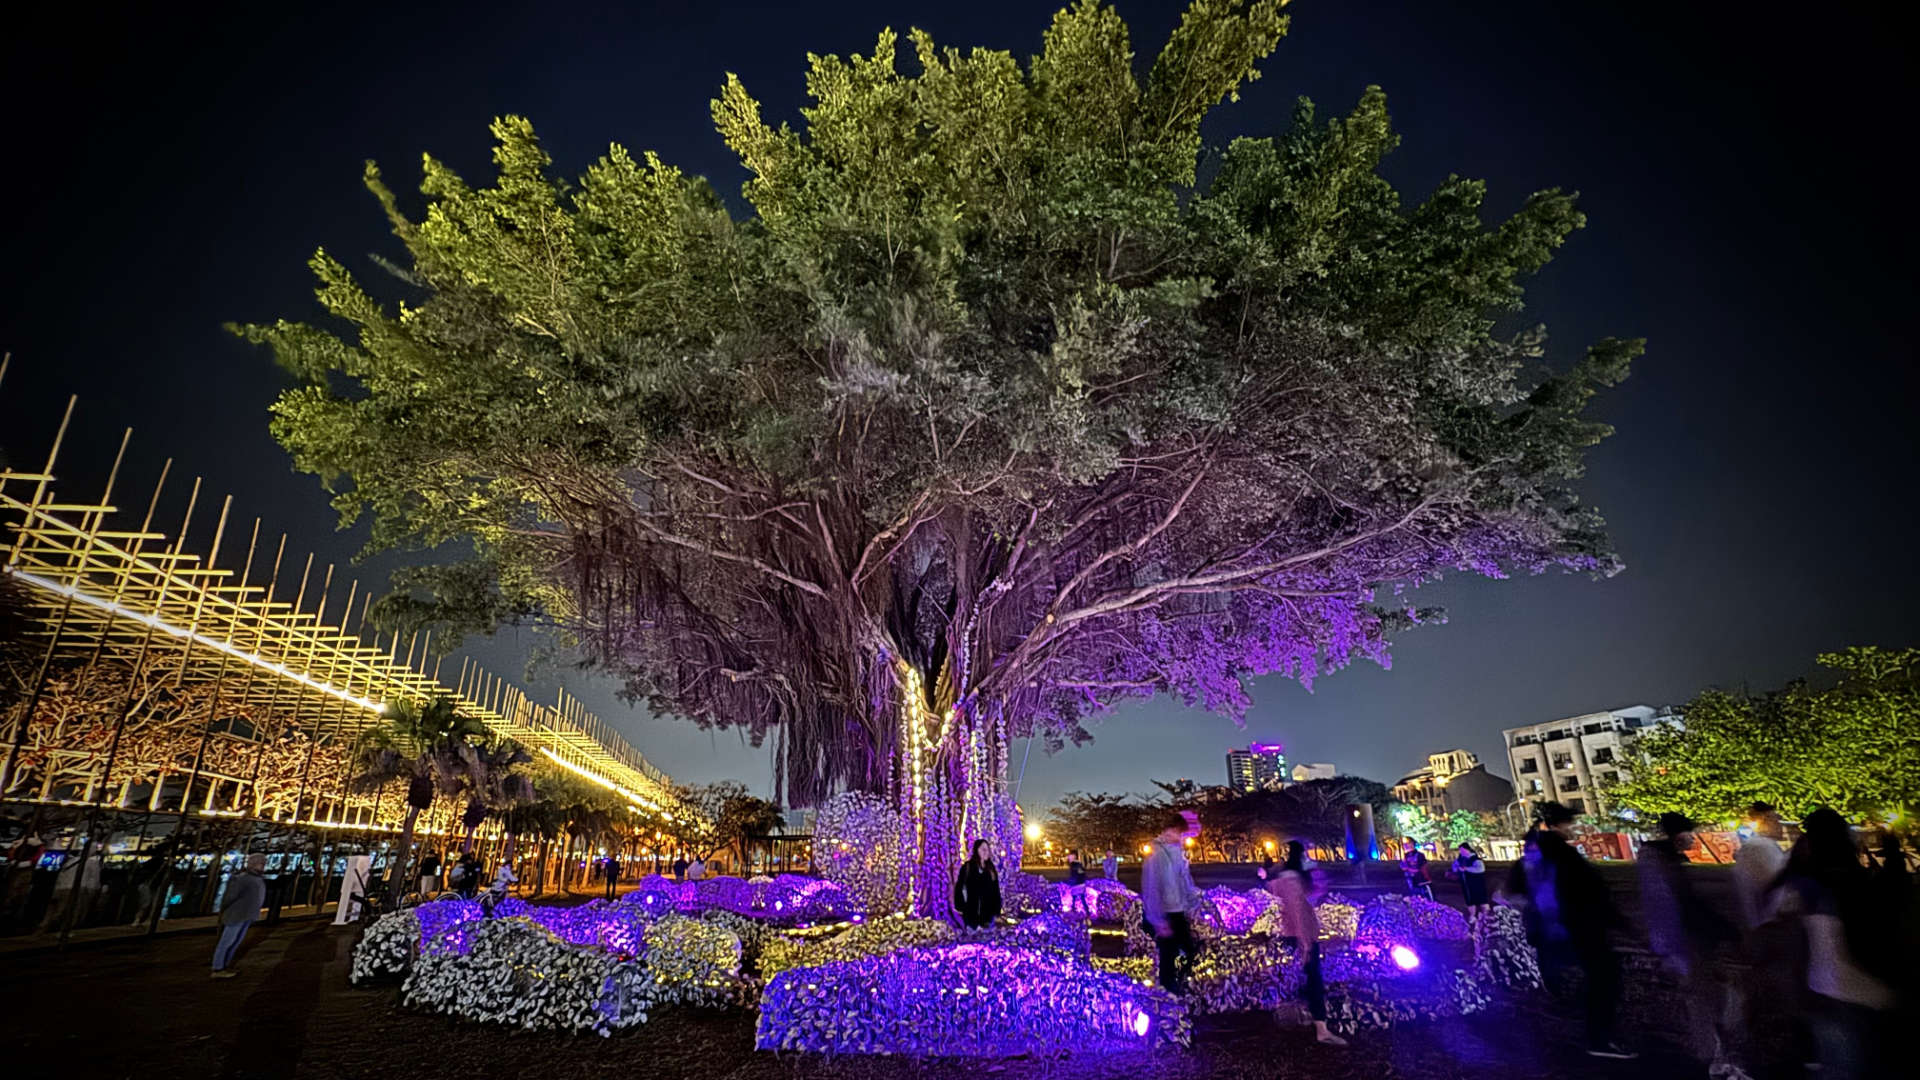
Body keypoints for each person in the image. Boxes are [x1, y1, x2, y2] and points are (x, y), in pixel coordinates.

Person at [1776, 808, 1894, 1079]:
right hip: (1848, 989)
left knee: (1834, 1064)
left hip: (1816, 989)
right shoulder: (1844, 881)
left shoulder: (1802, 881)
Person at [1639, 812, 1746, 1078]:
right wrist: (1727, 931)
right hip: (1683, 943)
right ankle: (1714, 1060)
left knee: (1701, 999)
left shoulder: (1655, 860)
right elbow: (1684, 907)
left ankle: (1711, 1056)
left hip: (1673, 942)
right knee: (1705, 1000)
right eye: (1689, 833)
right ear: (1678, 835)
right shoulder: (1664, 864)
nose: (1693, 838)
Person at [1533, 802, 1635, 1059]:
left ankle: (1591, 1033)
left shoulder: (1539, 852)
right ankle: (1598, 1038)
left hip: (1564, 926)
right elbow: (1584, 890)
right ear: (1557, 825)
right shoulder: (1558, 854)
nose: (1572, 828)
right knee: (1603, 978)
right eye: (1569, 823)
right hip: (1576, 925)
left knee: (1594, 977)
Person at [1269, 840, 1347, 1045]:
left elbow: (1282, 895)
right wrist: (1305, 943)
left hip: (1294, 933)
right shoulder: (1293, 880)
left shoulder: (1284, 878)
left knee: (1303, 978)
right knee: (1314, 980)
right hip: (1301, 935)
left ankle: (1300, 1018)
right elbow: (1297, 911)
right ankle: (1321, 1029)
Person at [1141, 811, 1202, 993]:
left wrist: (1196, 901)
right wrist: (1159, 921)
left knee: (1186, 951)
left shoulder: (1178, 852)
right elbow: (1151, 888)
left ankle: (1176, 987)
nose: (1183, 839)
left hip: (1178, 911)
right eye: (1182, 834)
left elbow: (1184, 883)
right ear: (1172, 830)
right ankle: (1168, 993)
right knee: (1170, 955)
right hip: (1165, 914)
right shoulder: (1158, 854)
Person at [211, 853, 267, 978]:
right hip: (237, 914)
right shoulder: (242, 879)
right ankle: (218, 967)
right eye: (261, 863)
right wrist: (223, 911)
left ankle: (224, 965)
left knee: (235, 941)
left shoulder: (255, 878)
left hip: (247, 915)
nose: (263, 866)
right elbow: (230, 897)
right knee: (227, 941)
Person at [953, 839, 1002, 929]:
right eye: (983, 849)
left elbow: (996, 890)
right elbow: (960, 887)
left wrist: (997, 910)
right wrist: (961, 906)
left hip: (988, 915)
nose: (986, 852)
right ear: (976, 850)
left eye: (987, 849)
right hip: (970, 913)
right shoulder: (968, 867)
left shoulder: (990, 869)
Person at [1449, 843, 1489, 926]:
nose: (1461, 851)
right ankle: (1472, 916)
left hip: (1477, 883)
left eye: (1462, 849)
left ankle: (1486, 916)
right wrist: (1456, 869)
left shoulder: (1475, 859)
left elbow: (1480, 869)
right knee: (1470, 900)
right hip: (1466, 884)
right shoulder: (1460, 859)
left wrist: (1466, 869)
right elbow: (1454, 867)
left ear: (1467, 849)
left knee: (1482, 900)